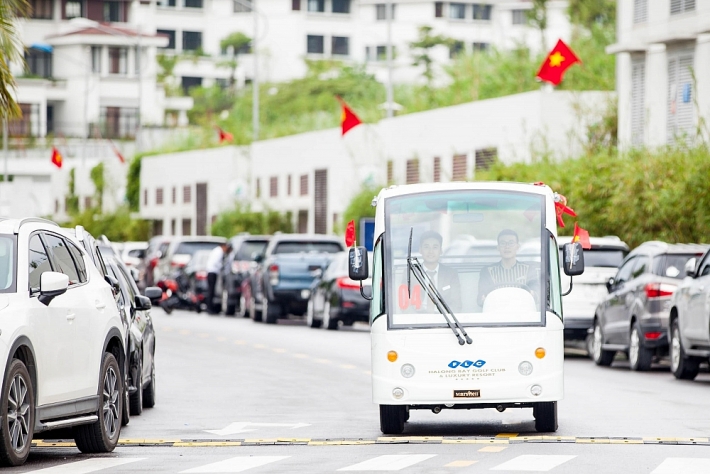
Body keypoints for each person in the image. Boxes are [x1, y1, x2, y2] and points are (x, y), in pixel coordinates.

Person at [477, 229, 539, 306]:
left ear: (517, 246)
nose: (507, 247)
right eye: (503, 243)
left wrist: (533, 294)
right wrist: (483, 299)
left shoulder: (529, 270)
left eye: (511, 243)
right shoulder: (487, 271)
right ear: (498, 247)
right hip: (496, 313)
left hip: (522, 313)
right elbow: (480, 299)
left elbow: (537, 296)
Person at [414, 230, 462, 312]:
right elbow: (406, 306)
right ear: (420, 250)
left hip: (444, 320)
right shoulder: (412, 273)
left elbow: (456, 305)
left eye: (435, 247)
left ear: (441, 251)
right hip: (418, 320)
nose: (431, 251)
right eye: (426, 247)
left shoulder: (451, 274)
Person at [206, 242, 230, 314]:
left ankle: (210, 307)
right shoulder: (219, 252)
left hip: (211, 271)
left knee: (211, 290)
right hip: (212, 272)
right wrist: (221, 268)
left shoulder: (216, 250)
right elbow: (216, 263)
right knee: (211, 291)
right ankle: (209, 308)